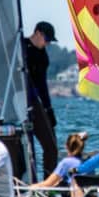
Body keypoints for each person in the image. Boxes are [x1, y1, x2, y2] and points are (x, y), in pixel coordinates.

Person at [16, 21, 61, 181]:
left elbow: (42, 85)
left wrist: (49, 110)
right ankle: (23, 183)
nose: (47, 43)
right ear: (38, 33)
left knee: (51, 145)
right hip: (14, 100)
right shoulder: (19, 47)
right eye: (47, 39)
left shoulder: (43, 57)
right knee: (20, 147)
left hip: (34, 101)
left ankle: (49, 184)